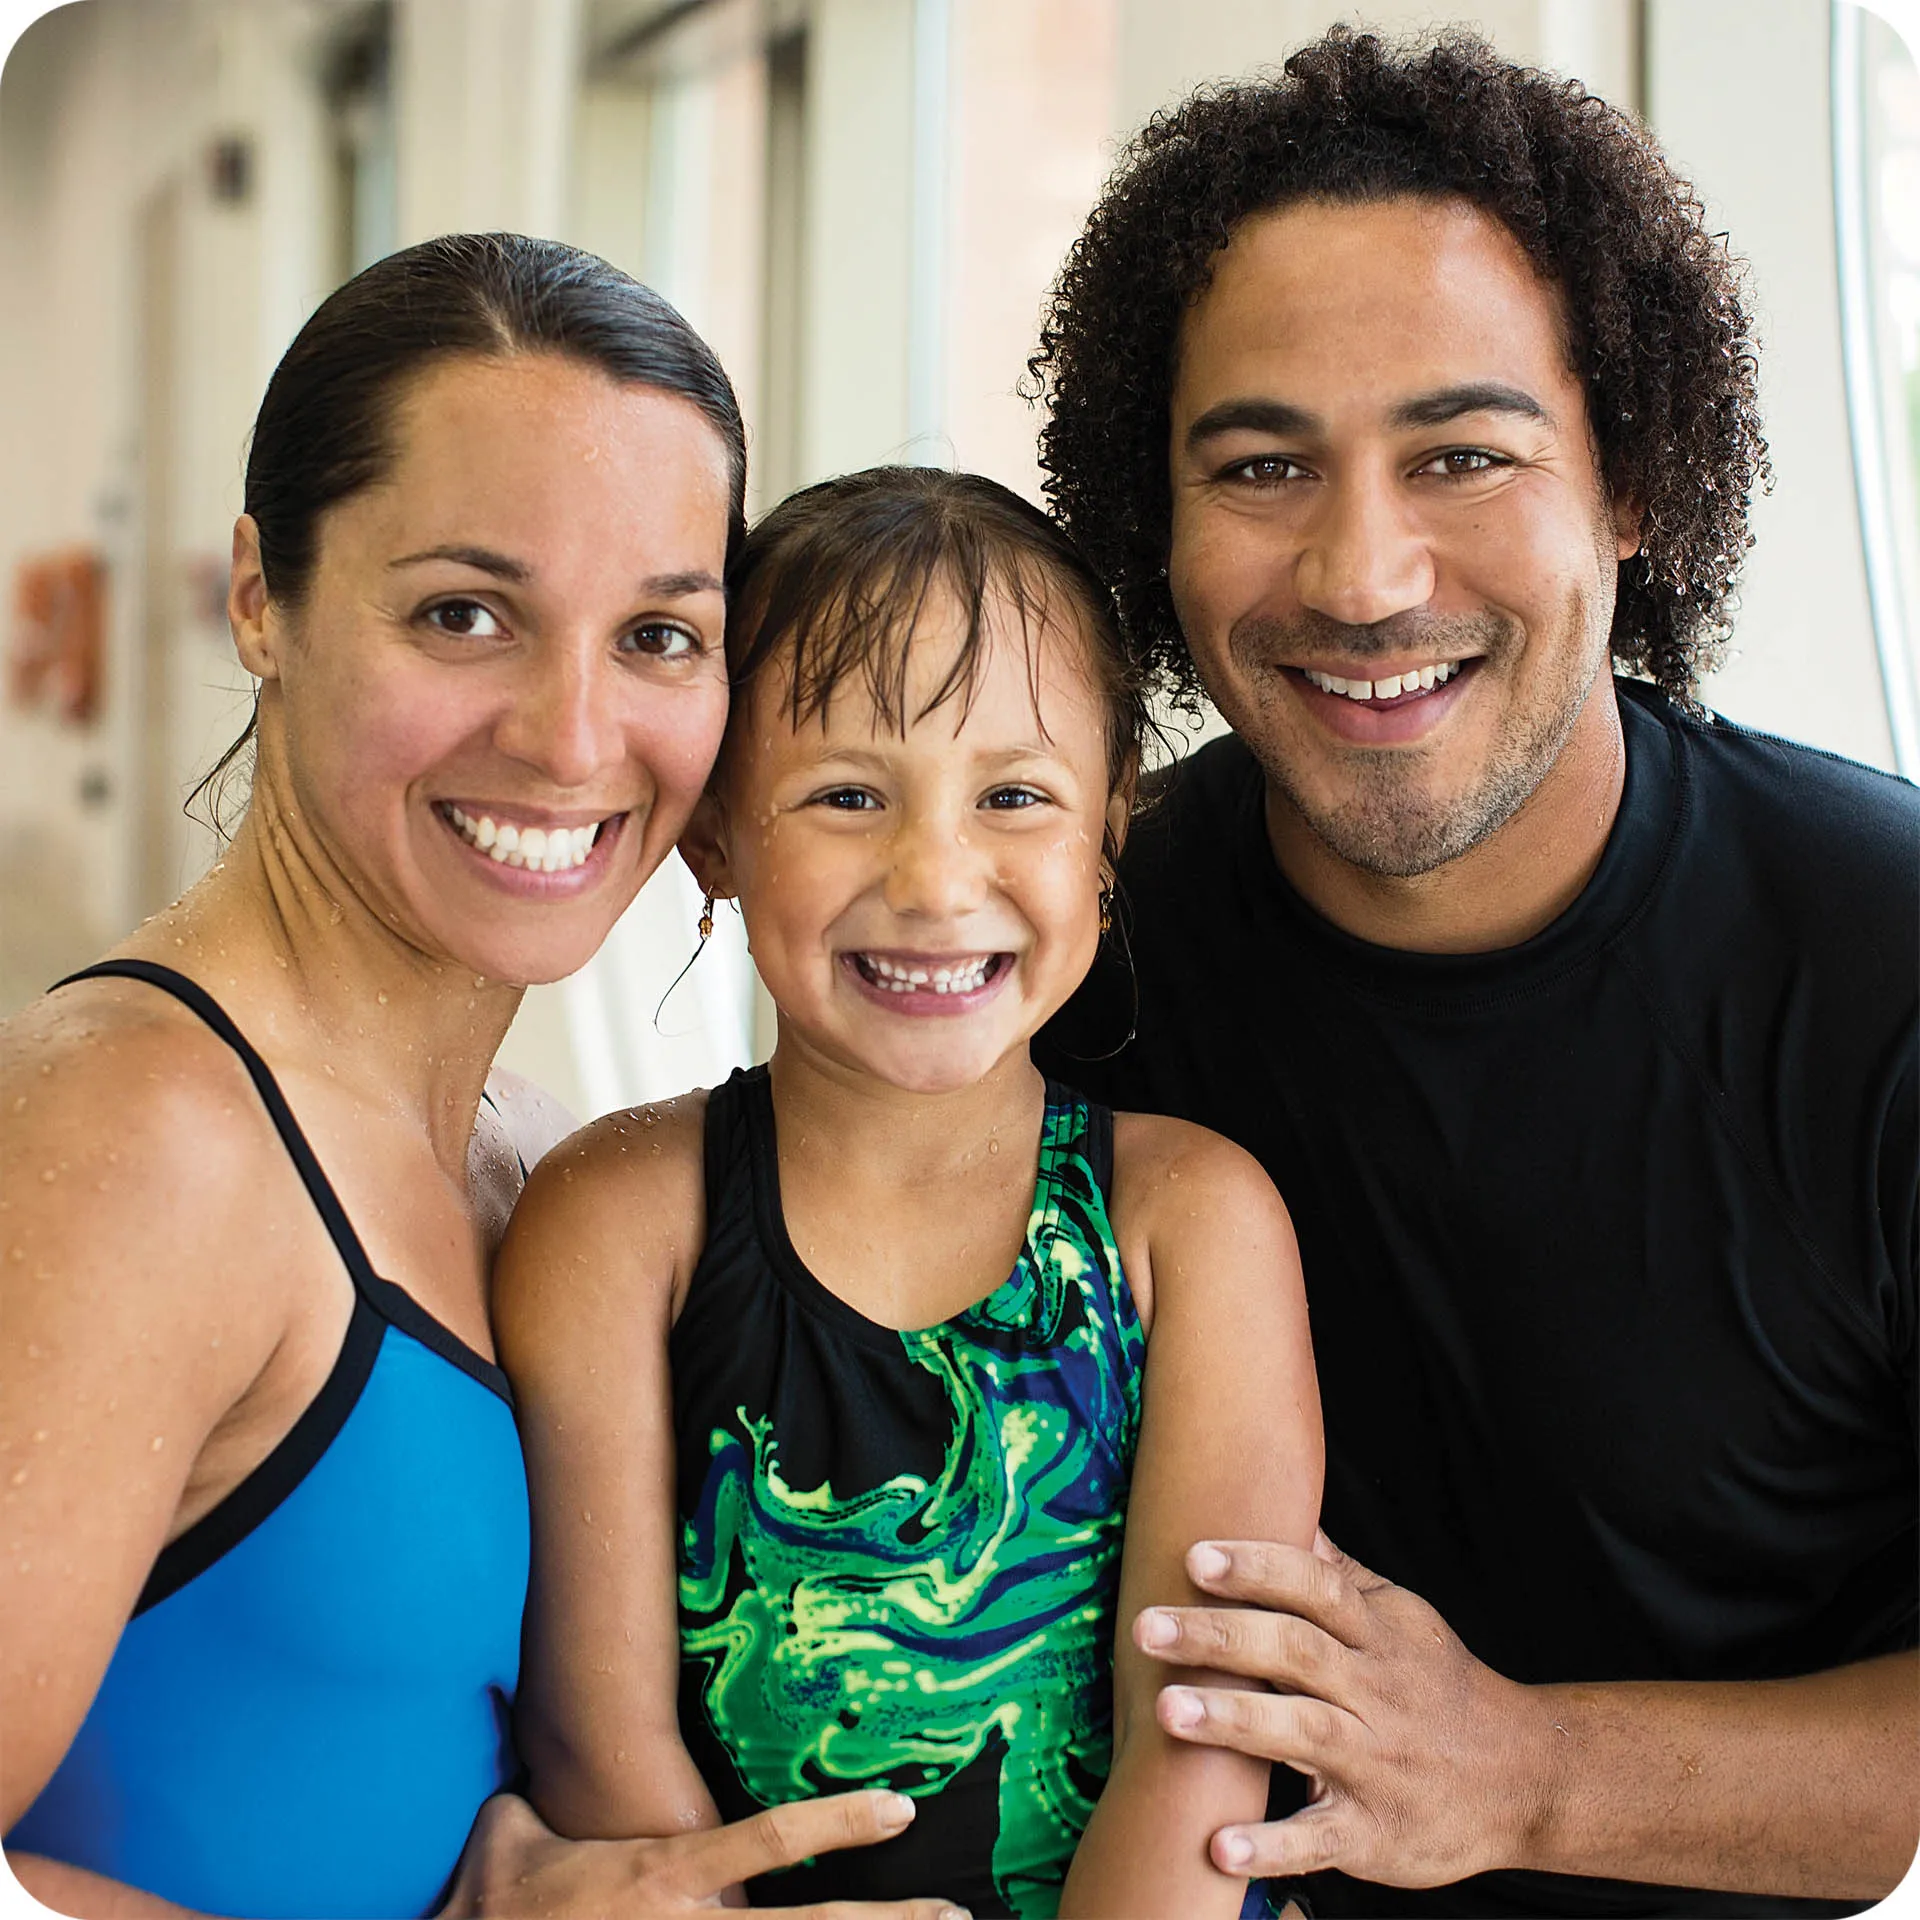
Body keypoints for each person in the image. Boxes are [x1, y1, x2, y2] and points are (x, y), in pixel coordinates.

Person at [1028, 26, 1919, 1920]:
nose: (1360, 574)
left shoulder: (1888, 960)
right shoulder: (1052, 956)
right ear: (1155, 526)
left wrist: (1518, 1771)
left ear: (1633, 484)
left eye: (1463, 452)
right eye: (1263, 464)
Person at [2, 234, 962, 1920]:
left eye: (660, 635)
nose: (574, 738)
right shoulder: (147, 1137)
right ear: (260, 598)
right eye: (465, 613)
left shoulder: (522, 1157)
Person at [491, 467, 1323, 1920]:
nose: (937, 880)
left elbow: (1199, 1751)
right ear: (716, 834)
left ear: (1110, 821)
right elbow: (599, 1744)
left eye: (1014, 795)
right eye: (846, 795)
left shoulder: (1188, 1227)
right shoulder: (620, 1225)